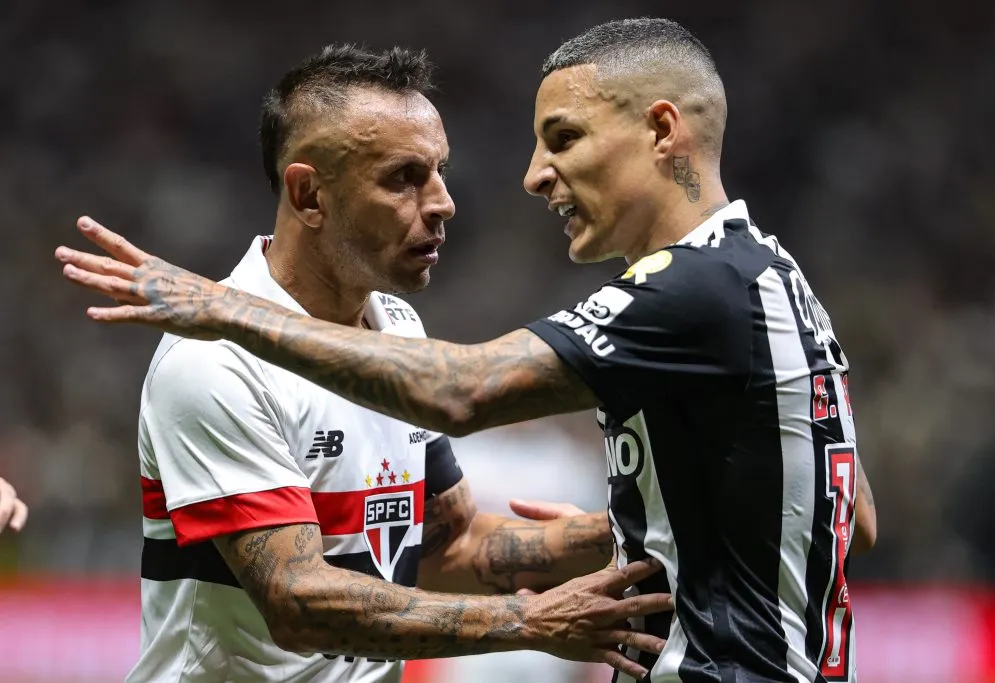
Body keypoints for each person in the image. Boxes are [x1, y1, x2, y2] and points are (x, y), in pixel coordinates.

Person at [56, 17, 878, 683]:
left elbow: (464, 388)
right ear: (308, 193)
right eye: (406, 177)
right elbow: (393, 565)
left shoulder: (691, 291)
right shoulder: (770, 275)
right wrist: (612, 543)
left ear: (661, 130)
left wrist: (227, 309)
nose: (456, 199)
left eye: (563, 137)